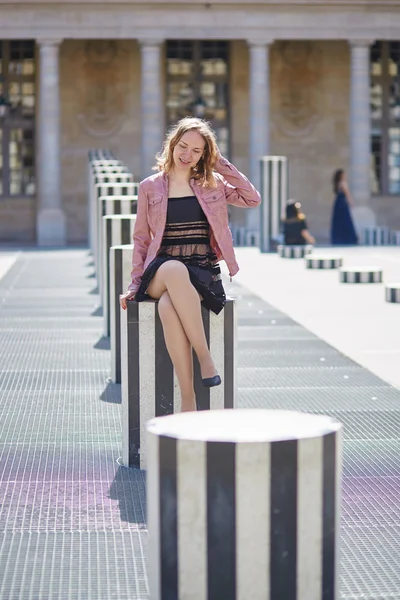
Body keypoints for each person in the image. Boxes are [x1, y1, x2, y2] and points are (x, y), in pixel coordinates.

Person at [119, 117, 261, 412]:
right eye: (183, 146)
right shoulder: (150, 187)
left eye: (197, 151)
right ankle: (205, 358)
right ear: (172, 145)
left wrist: (221, 165)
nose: (188, 155)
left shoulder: (213, 184)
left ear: (205, 154)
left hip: (201, 270)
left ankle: (188, 399)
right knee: (173, 269)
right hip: (162, 269)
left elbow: (252, 198)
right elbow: (142, 239)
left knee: (168, 307)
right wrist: (134, 285)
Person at [330, 169, 358, 245]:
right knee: (346, 220)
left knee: (339, 221)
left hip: (338, 203)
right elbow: (347, 193)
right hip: (342, 203)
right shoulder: (343, 183)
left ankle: (339, 238)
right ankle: (349, 238)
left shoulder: (337, 184)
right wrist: (351, 202)